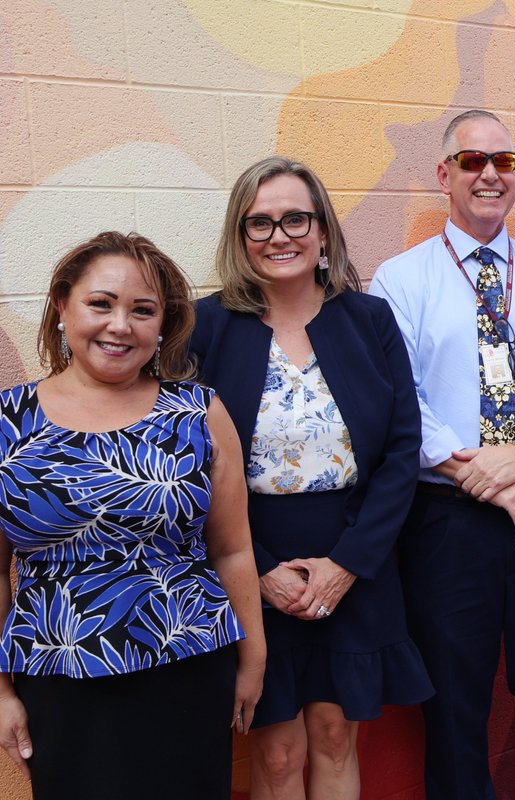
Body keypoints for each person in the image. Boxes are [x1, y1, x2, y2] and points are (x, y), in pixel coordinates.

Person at [369, 110, 515, 799]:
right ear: (444, 175)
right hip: (448, 523)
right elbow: (397, 399)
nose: (487, 174)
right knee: (453, 709)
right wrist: (489, 475)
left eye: (502, 162)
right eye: (471, 161)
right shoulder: (401, 280)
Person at [190, 156, 432, 799]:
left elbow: (402, 450)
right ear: (240, 238)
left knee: (332, 735)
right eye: (260, 223)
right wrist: (257, 570)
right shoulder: (206, 327)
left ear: (322, 231)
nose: (280, 236)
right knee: (274, 752)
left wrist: (348, 562)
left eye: (296, 218)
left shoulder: (369, 321)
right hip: (250, 553)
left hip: (354, 552)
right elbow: (188, 465)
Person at [0, 232, 266, 800]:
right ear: (61, 305)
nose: (120, 325)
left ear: (162, 324)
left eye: (143, 310)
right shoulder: (6, 423)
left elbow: (233, 549)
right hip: (59, 679)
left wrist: (254, 658)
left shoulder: (198, 412)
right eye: (101, 303)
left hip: (189, 666)